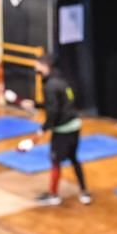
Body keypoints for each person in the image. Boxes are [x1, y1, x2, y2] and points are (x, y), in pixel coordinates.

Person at [26, 54, 91, 206]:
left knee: (55, 161)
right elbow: (62, 103)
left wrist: (43, 129)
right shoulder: (62, 81)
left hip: (63, 130)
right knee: (74, 158)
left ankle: (53, 195)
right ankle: (84, 192)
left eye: (37, 65)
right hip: (75, 126)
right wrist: (36, 105)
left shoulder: (49, 86)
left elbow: (53, 112)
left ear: (44, 66)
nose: (35, 67)